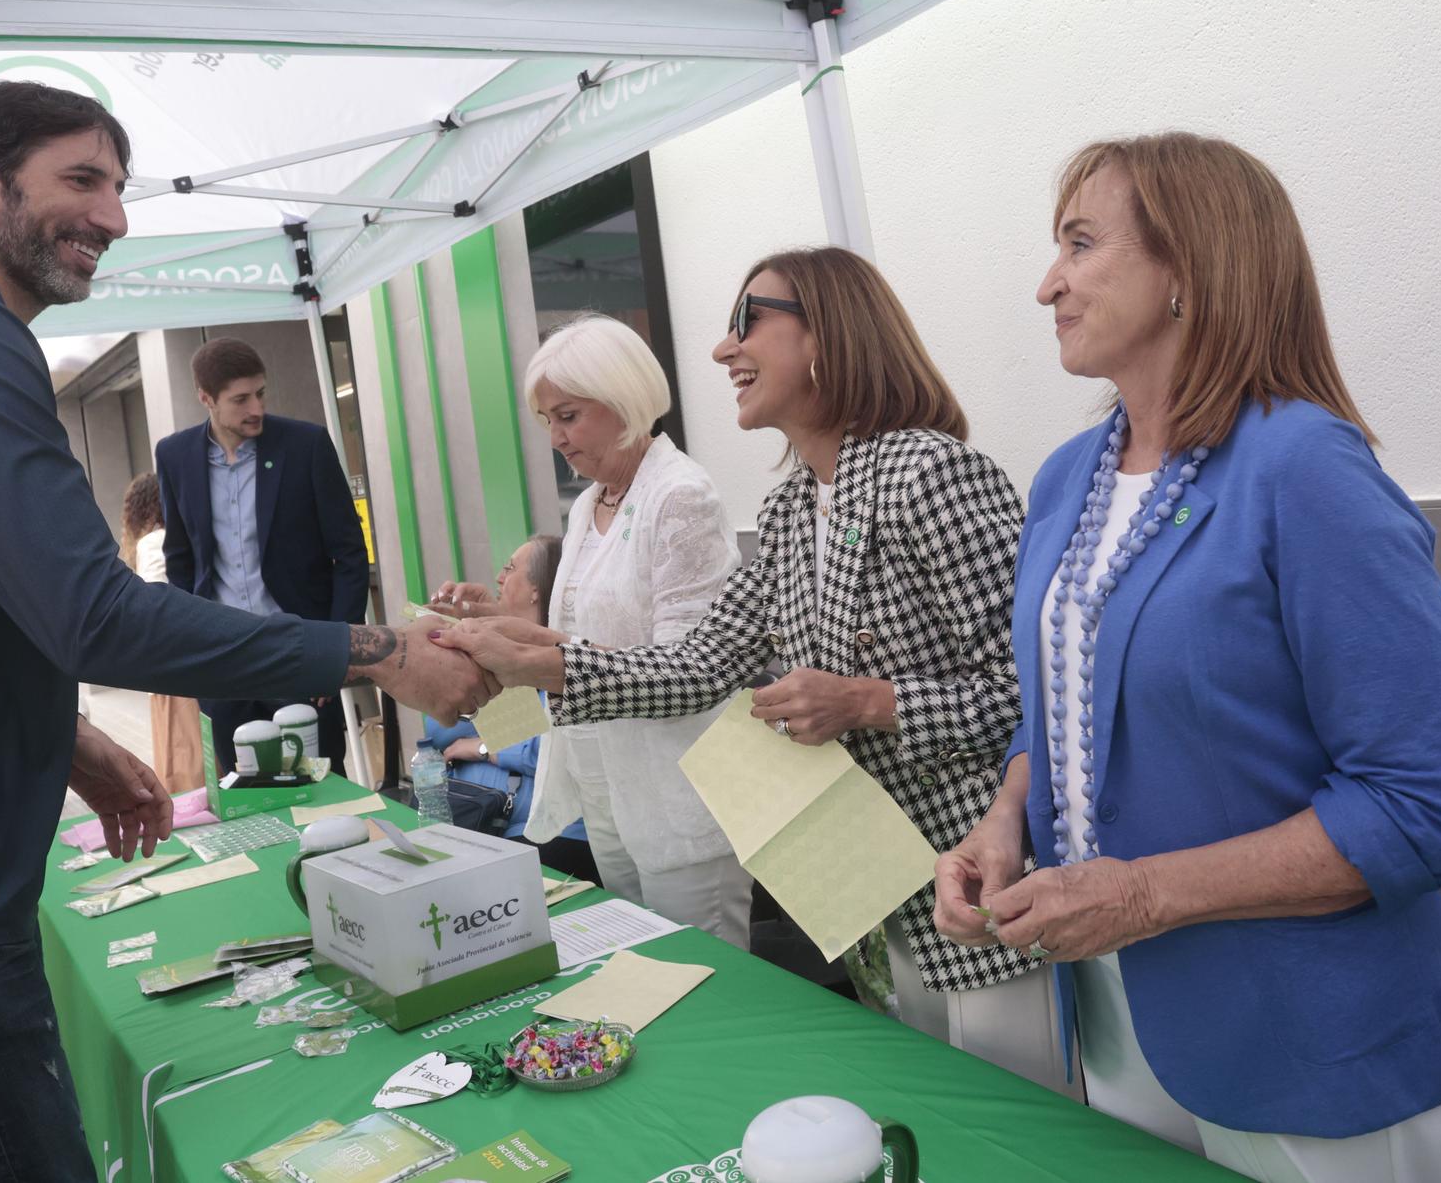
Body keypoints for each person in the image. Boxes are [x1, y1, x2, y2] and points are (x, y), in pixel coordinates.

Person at [0, 80, 492, 1183]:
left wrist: (76, 745)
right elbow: (91, 612)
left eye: (120, 187)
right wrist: (377, 653)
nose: (114, 217)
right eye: (80, 180)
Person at [934, 132, 1441, 1181]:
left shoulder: (1302, 465)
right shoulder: (1067, 478)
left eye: (1077, 242)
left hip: (1305, 1052)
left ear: (1187, 270)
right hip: (1118, 1024)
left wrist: (1141, 893)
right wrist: (1006, 813)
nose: (1043, 284)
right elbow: (1068, 699)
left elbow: (1439, 803)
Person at [442, 252, 1061, 1091]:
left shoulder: (927, 471)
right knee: (938, 1112)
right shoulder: (788, 503)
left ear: (827, 332)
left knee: (1016, 1119)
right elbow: (699, 664)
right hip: (870, 885)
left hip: (976, 883)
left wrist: (869, 701)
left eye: (748, 321)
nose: (721, 351)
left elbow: (1033, 697)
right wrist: (531, 657)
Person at [433, 315, 751, 948]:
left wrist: (529, 657)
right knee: (639, 960)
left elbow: (689, 671)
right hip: (603, 789)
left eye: (569, 416)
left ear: (623, 399)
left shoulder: (680, 496)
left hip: (678, 790)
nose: (555, 437)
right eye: (547, 420)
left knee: (703, 976)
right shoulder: (589, 502)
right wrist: (492, 626)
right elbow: (571, 635)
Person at [156, 337, 370, 778]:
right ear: (206, 398)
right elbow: (179, 560)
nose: (255, 407)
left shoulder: (306, 445)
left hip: (300, 656)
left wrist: (338, 649)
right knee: (245, 794)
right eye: (240, 399)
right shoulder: (174, 456)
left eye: (261, 393)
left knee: (320, 785)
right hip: (222, 661)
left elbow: (349, 553)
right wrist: (190, 645)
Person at [423, 534, 600, 883]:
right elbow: (440, 731)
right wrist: (456, 640)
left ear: (537, 589)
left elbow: (555, 750)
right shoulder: (498, 649)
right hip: (481, 819)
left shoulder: (564, 652)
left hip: (548, 833)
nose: (499, 578)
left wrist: (482, 748)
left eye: (509, 568)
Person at [120, 470, 204, 794]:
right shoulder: (181, 536)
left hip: (171, 657)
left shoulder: (151, 542)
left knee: (181, 752)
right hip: (194, 650)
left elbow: (155, 599)